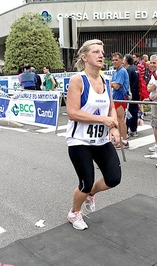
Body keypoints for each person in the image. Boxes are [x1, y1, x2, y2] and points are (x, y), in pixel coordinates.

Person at [65, 39, 121, 230]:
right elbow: (73, 112)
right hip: (79, 141)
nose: (101, 55)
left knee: (114, 178)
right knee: (85, 182)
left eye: (102, 52)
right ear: (84, 57)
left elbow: (111, 107)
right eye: (96, 52)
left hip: (101, 140)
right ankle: (74, 212)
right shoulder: (78, 80)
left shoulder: (106, 80)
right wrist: (103, 120)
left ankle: (90, 194)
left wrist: (113, 127)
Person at [110, 52, 129, 148]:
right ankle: (119, 140)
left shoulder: (122, 71)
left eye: (116, 60)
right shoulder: (115, 72)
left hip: (121, 98)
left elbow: (116, 86)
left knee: (121, 120)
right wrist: (112, 84)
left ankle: (124, 141)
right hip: (116, 98)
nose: (114, 62)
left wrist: (111, 84)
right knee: (117, 120)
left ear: (122, 61)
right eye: (113, 60)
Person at [123, 54, 139, 137]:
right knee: (134, 111)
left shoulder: (128, 70)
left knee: (128, 112)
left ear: (126, 61)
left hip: (130, 93)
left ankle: (126, 130)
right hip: (136, 93)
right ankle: (134, 129)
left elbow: (127, 83)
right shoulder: (136, 68)